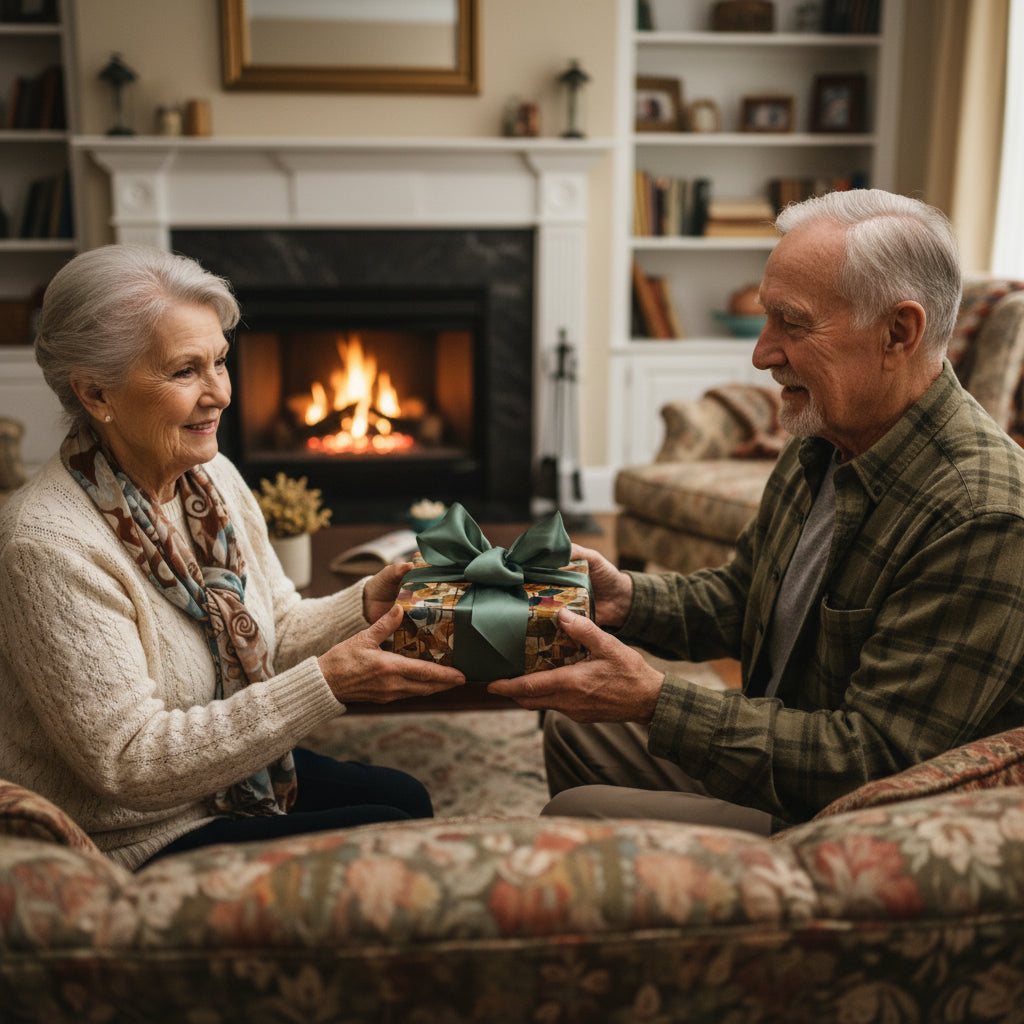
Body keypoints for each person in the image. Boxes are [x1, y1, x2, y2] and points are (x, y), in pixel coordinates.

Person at [490, 189, 1024, 833]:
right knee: (576, 736)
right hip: (788, 751)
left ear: (898, 331)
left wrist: (656, 702)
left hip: (863, 826)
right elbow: (745, 596)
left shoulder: (983, 517)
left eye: (792, 323)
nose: (761, 353)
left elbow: (874, 760)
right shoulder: (826, 435)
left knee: (575, 812)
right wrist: (624, 598)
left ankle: (746, 909)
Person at [0, 244, 465, 870]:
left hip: (230, 784)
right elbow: (127, 762)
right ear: (95, 393)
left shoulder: (211, 476)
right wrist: (327, 683)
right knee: (390, 842)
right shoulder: (47, 545)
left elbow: (274, 623)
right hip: (135, 834)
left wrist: (365, 603)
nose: (219, 393)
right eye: (184, 372)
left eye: (220, 361)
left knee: (406, 797)